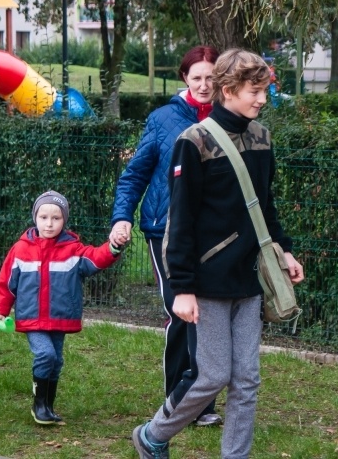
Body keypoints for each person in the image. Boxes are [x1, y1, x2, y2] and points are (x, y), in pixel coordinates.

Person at [131, 49, 305, 459]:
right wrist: (183, 289)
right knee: (211, 377)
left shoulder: (262, 137)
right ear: (228, 91)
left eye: (264, 91)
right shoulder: (193, 142)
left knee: (247, 379)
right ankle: (153, 435)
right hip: (206, 284)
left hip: (248, 281)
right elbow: (182, 222)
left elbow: (265, 205)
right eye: (254, 91)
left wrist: (286, 252)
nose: (262, 99)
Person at [108, 45, 225, 427]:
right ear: (185, 80)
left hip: (215, 234)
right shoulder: (162, 120)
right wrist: (122, 217)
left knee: (204, 312)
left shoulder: (230, 119)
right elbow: (134, 175)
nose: (205, 85)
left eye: (211, 77)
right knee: (182, 311)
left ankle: (197, 399)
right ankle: (182, 401)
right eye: (197, 78)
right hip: (166, 231)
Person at [0, 190, 126, 425]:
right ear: (35, 217)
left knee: (56, 361)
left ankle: (48, 407)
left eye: (56, 218)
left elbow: (95, 258)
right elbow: (6, 284)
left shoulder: (72, 250)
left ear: (64, 220)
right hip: (32, 318)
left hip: (59, 318)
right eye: (43, 217)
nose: (49, 223)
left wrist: (113, 247)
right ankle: (38, 406)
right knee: (45, 354)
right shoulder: (21, 250)